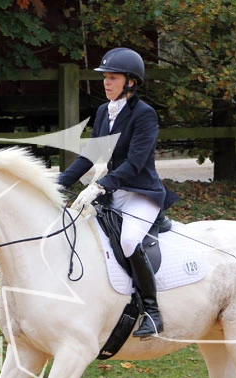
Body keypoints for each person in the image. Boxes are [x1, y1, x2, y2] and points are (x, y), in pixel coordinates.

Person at [60, 47, 178, 338]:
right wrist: (57, 184)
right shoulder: (104, 112)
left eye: (113, 78)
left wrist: (100, 185)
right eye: (105, 77)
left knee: (128, 240)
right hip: (112, 195)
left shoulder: (144, 115)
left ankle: (151, 311)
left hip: (141, 194)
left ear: (131, 82)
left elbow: (135, 163)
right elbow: (90, 156)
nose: (106, 82)